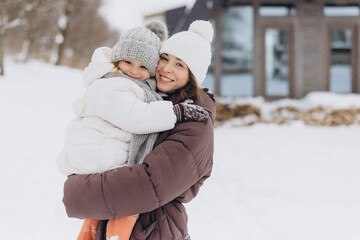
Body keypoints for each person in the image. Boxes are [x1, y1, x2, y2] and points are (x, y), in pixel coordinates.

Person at [62, 20, 216, 240]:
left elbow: (149, 184)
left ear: (192, 75)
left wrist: (78, 192)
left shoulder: (195, 120)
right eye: (164, 58)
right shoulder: (154, 98)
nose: (166, 69)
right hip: (117, 222)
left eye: (179, 65)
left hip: (153, 230)